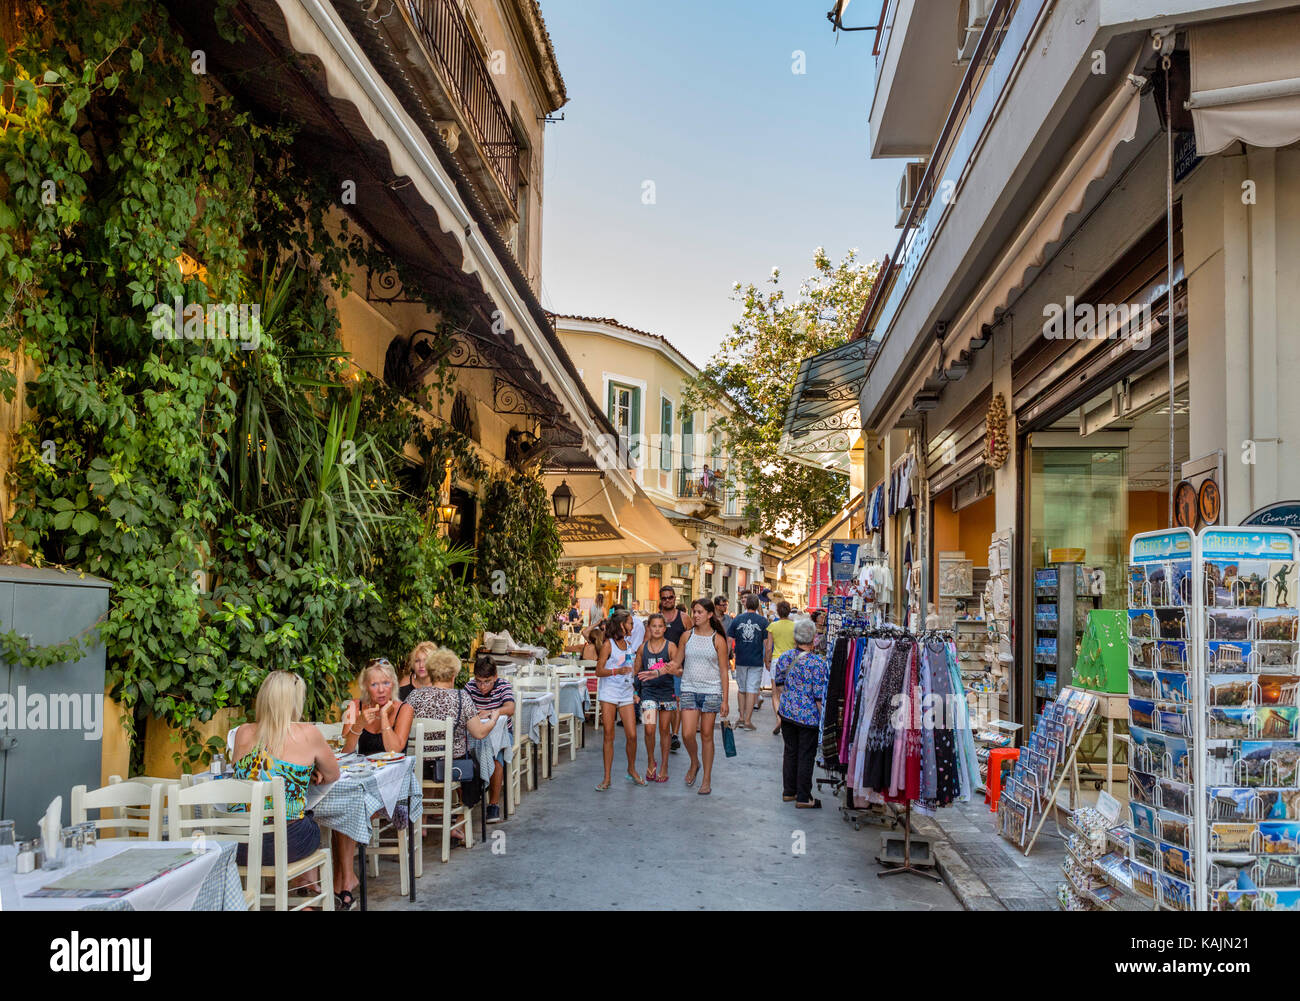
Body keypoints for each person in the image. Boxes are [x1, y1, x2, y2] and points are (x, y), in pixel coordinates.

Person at [229, 671, 338, 903]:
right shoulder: (308, 733)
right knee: (309, 823)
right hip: (282, 843)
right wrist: (307, 773)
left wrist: (302, 773)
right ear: (294, 700)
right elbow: (332, 775)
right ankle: (304, 893)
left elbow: (256, 773)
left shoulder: (242, 732)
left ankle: (299, 891)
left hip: (240, 844)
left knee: (296, 821)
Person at [335, 657, 414, 908]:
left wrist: (384, 720)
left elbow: (395, 750)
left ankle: (342, 879)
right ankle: (346, 878)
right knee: (344, 805)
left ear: (392, 685)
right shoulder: (354, 706)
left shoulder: (404, 709)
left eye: (385, 683)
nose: (380, 690)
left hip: (390, 787)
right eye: (374, 685)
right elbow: (345, 751)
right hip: (360, 782)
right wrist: (358, 724)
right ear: (365, 687)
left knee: (347, 807)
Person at [406, 647, 498, 835]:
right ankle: (459, 823)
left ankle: (422, 823)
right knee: (477, 772)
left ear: (431, 673)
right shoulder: (460, 698)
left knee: (429, 764)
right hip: (451, 769)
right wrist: (494, 719)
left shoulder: (414, 696)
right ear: (454, 674)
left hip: (419, 768)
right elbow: (479, 733)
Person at [671, 597, 729, 795]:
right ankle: (695, 762)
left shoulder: (718, 640)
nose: (695, 615)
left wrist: (726, 700)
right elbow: (676, 662)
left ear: (709, 615)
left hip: (711, 691)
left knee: (706, 735)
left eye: (699, 612)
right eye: (693, 612)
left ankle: (706, 779)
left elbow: (723, 671)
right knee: (687, 733)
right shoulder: (687, 637)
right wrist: (656, 670)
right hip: (688, 689)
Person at [774, 619, 830, 808]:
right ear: (813, 639)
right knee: (806, 754)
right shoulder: (818, 663)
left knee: (790, 751)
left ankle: (789, 791)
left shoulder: (785, 657)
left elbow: (779, 684)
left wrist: (789, 700)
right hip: (808, 716)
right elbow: (819, 697)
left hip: (787, 712)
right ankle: (804, 797)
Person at [464, 650, 515, 824]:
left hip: (502, 735)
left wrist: (494, 711)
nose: (482, 686)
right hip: (476, 736)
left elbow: (510, 708)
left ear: (495, 676)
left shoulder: (503, 685)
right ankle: (468, 803)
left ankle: (493, 804)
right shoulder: (470, 687)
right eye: (479, 681)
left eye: (487, 682)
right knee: (462, 756)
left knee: (496, 757)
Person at [595, 609, 643, 789]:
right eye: (630, 623)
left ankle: (631, 769)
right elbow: (599, 671)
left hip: (626, 693)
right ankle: (607, 778)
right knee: (609, 735)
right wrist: (617, 671)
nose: (632, 626)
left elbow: (630, 670)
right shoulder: (608, 645)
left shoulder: (629, 644)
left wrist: (634, 690)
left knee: (632, 734)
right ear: (622, 625)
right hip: (609, 693)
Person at [633, 612, 679, 782]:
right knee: (649, 729)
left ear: (665, 628)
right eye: (654, 626)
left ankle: (664, 765)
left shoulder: (671, 647)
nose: (657, 629)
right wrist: (635, 692)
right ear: (649, 627)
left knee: (665, 730)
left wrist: (670, 669)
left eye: (661, 626)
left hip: (667, 693)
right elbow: (636, 672)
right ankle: (651, 760)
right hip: (648, 694)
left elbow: (680, 670)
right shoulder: (642, 648)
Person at [727, 594, 771, 730]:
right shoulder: (763, 621)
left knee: (741, 689)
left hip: (740, 659)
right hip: (756, 660)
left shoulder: (738, 619)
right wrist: (766, 659)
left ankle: (741, 717)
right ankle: (747, 721)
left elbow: (729, 640)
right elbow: (767, 644)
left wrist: (726, 657)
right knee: (752, 690)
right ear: (758, 605)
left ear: (745, 605)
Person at [656, 586, 688, 752]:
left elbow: (691, 639)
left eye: (670, 597)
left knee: (676, 702)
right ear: (660, 600)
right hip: (658, 667)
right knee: (663, 702)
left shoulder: (684, 618)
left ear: (675, 598)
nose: (667, 600)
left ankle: (674, 735)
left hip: (677, 667)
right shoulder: (656, 618)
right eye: (664, 598)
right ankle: (666, 733)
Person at [767, 601, 796, 735]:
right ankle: (788, 717)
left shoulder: (773, 626)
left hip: (777, 659)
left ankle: (779, 718)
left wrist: (767, 660)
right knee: (789, 690)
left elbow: (769, 647)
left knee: (775, 693)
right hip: (791, 660)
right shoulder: (795, 626)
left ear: (778, 612)